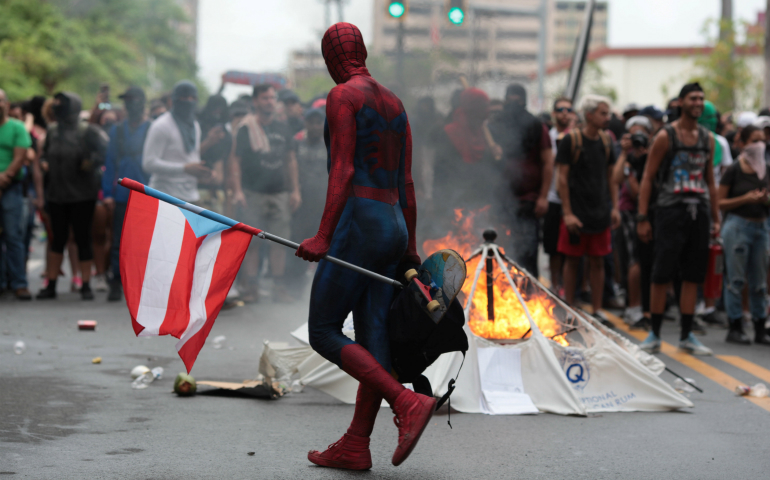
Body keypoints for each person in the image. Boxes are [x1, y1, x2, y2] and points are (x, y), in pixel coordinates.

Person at [295, 22, 434, 471]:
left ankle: (404, 402)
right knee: (375, 343)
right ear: (364, 51)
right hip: (393, 223)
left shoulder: (343, 97)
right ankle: (356, 443)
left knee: (323, 331)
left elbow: (344, 170)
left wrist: (322, 233)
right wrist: (410, 244)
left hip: (360, 222)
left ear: (331, 58)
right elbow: (406, 182)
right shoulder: (394, 102)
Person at [637, 83, 720, 356]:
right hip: (669, 212)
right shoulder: (666, 136)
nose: (698, 103)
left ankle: (686, 336)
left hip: (699, 212)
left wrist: (716, 217)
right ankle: (655, 334)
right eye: (693, 98)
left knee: (693, 275)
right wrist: (642, 217)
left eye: (701, 98)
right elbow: (647, 177)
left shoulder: (708, 138)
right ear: (681, 102)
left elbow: (710, 180)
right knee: (662, 273)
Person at [229, 83, 301, 303]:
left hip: (279, 193)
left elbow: (290, 160)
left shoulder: (283, 128)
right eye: (264, 98)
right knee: (252, 242)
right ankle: (252, 287)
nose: (269, 102)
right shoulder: (246, 128)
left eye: (272, 98)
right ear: (256, 101)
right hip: (253, 193)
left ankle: (278, 288)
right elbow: (236, 160)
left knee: (279, 242)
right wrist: (238, 190)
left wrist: (295, 190)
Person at [36, 92, 108, 300]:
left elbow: (104, 151)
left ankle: (85, 284)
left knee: (82, 237)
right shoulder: (52, 131)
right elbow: (44, 153)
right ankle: (51, 283)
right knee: (57, 239)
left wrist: (90, 163)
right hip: (57, 194)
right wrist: (43, 163)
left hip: (82, 195)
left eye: (62, 104)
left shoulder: (87, 131)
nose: (58, 107)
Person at [556, 94, 620, 325]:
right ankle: (570, 307)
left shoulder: (606, 141)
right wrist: (567, 213)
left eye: (608, 113)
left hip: (600, 211)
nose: (608, 117)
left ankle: (597, 308)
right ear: (589, 115)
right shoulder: (570, 141)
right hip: (576, 212)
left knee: (598, 260)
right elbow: (561, 179)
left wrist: (614, 208)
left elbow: (611, 177)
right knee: (572, 261)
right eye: (603, 113)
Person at [488, 83, 553, 277]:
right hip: (501, 199)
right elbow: (483, 165)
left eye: (517, 98)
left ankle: (530, 295)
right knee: (501, 249)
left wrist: (543, 196)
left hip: (529, 200)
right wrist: (492, 152)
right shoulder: (493, 126)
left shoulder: (536, 126)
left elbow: (548, 162)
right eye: (511, 98)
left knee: (528, 252)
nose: (513, 102)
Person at [718, 125, 770, 346]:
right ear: (743, 143)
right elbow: (720, 202)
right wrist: (745, 199)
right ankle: (735, 326)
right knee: (736, 280)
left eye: (762, 140)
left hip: (761, 227)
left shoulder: (766, 169)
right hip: (738, 227)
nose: (759, 145)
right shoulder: (733, 170)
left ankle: (760, 327)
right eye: (754, 140)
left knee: (759, 282)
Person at [102, 86, 151, 301]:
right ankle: (116, 283)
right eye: (127, 100)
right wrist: (108, 194)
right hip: (122, 193)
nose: (131, 104)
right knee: (119, 241)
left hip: (148, 193)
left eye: (134, 99)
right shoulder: (118, 130)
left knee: (145, 240)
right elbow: (110, 162)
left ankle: (141, 284)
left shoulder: (152, 128)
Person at [612, 116, 653, 328]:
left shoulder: (653, 155)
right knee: (633, 260)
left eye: (642, 134)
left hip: (651, 212)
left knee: (648, 261)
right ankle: (634, 307)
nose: (638, 139)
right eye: (633, 135)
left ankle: (647, 307)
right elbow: (617, 179)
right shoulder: (626, 157)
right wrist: (626, 153)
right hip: (630, 212)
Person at [143, 80, 210, 203]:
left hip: (190, 198)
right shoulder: (161, 126)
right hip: (164, 197)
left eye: (193, 98)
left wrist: (202, 173)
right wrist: (184, 168)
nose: (189, 101)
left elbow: (191, 159)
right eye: (184, 97)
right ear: (173, 100)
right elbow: (149, 163)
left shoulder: (195, 126)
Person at [286, 108, 328, 291]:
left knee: (325, 248)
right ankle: (296, 286)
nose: (316, 126)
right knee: (299, 245)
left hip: (323, 206)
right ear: (306, 124)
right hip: (302, 205)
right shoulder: (296, 145)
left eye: (319, 123)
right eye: (312, 122)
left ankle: (324, 288)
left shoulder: (330, 146)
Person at [0, 88, 33, 300]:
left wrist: (4, 178)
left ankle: (19, 283)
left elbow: (20, 156)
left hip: (11, 187)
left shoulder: (17, 127)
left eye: (1, 100)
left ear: (7, 104)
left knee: (13, 235)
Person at [543, 97, 575, 295]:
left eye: (568, 109)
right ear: (554, 113)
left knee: (571, 248)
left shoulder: (576, 137)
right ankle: (555, 284)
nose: (564, 113)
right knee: (553, 246)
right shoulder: (548, 136)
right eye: (560, 109)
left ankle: (571, 288)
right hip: (553, 198)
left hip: (572, 200)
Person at [197, 94, 230, 214]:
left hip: (218, 192)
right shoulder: (198, 129)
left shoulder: (227, 135)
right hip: (198, 188)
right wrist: (209, 141)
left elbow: (229, 162)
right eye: (215, 108)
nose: (217, 112)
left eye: (221, 109)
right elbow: (189, 158)